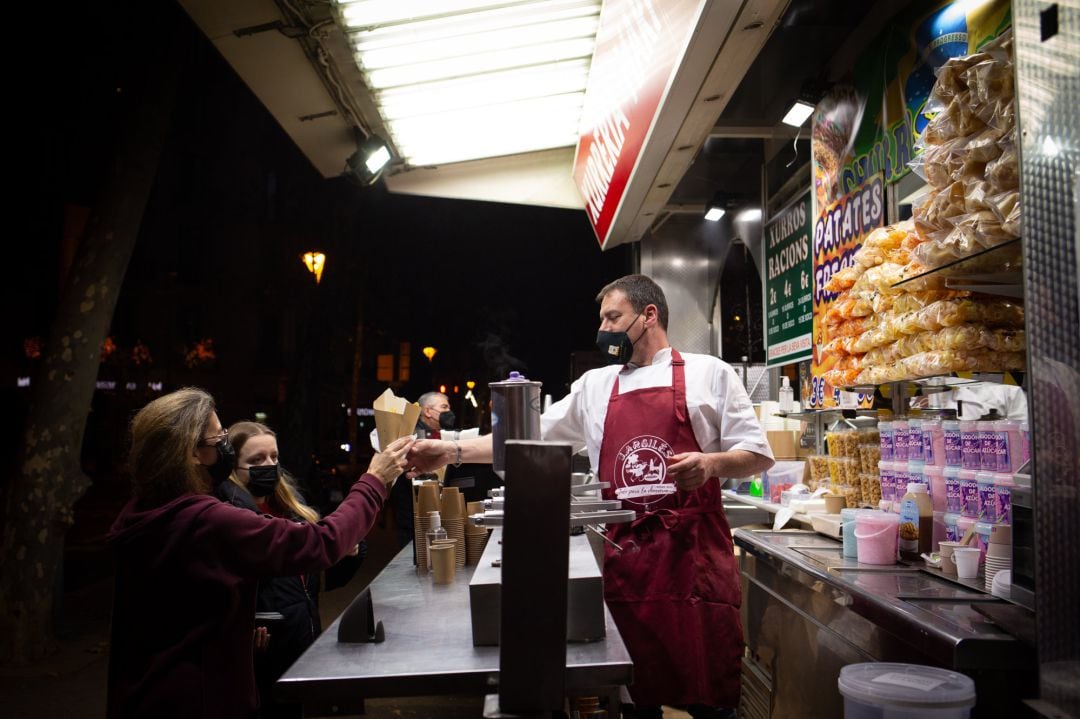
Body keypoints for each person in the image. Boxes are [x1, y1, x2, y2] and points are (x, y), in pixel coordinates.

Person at [407, 274, 775, 718]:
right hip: (631, 565)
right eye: (602, 319)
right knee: (637, 698)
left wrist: (711, 464)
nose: (604, 329)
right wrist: (450, 450)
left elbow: (757, 454)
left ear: (649, 315)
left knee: (711, 701)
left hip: (693, 562)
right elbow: (528, 437)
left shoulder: (708, 373)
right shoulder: (596, 386)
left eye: (613, 317)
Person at [107, 388, 413, 719]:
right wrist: (375, 481)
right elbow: (320, 542)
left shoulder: (141, 513)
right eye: (219, 440)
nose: (225, 445)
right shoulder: (208, 521)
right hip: (200, 698)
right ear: (192, 454)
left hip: (143, 693)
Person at [215, 421, 360, 719]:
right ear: (232, 465)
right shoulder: (229, 516)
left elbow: (312, 578)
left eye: (273, 457)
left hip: (302, 636)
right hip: (263, 652)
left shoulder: (292, 506)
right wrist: (242, 629)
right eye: (256, 460)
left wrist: (345, 553)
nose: (269, 465)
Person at [388, 391, 453, 548]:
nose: (448, 412)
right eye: (444, 407)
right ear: (427, 411)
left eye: (449, 407)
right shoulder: (411, 433)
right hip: (413, 510)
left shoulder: (445, 434)